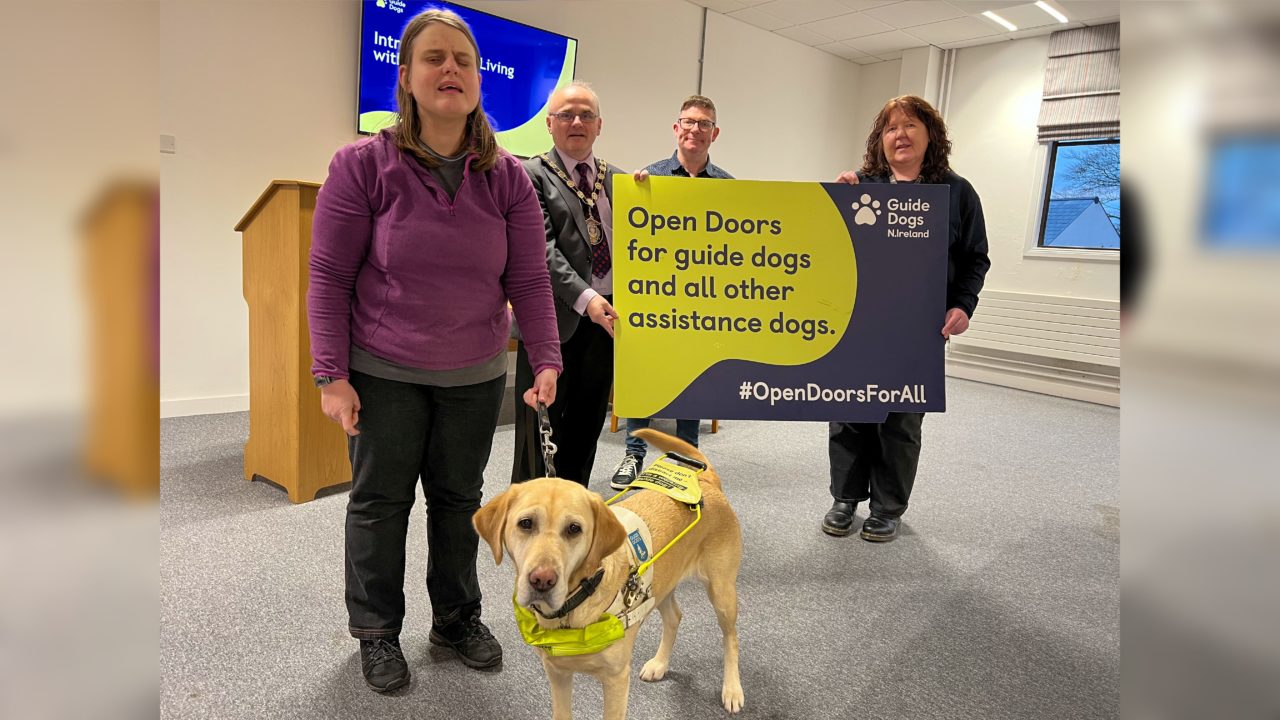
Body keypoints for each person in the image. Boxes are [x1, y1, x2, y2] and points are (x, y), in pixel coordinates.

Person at [307, 9, 562, 693]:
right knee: (380, 503)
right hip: (382, 370)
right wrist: (331, 374)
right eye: (434, 58)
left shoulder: (508, 178)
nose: (451, 69)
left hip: (474, 374)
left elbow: (529, 278)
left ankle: (455, 618)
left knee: (458, 503)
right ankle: (376, 631)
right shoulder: (362, 165)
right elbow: (328, 276)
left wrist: (545, 357)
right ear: (407, 77)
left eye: (464, 60)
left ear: (479, 80)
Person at [823, 94, 990, 542]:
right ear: (880, 139)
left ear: (930, 134)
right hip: (858, 325)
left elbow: (975, 258)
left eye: (910, 125)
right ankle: (845, 498)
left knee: (901, 419)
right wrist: (834, 201)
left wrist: (963, 305)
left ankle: (887, 507)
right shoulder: (859, 187)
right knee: (849, 412)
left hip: (918, 329)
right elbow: (825, 249)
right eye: (891, 128)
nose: (900, 135)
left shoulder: (958, 193)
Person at [610, 94, 735, 492]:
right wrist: (633, 194)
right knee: (645, 375)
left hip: (702, 301)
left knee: (692, 379)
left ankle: (684, 459)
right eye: (689, 121)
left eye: (704, 123)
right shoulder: (648, 178)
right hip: (654, 297)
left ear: (715, 133)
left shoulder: (729, 187)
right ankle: (634, 454)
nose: (695, 129)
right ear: (676, 128)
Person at [510, 82, 622, 487]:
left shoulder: (621, 180)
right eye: (566, 115)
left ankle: (574, 506)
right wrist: (586, 298)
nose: (577, 122)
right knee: (539, 432)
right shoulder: (530, 175)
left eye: (586, 115)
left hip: (608, 323)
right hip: (551, 322)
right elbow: (540, 249)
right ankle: (530, 514)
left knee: (587, 425)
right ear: (549, 123)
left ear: (599, 125)